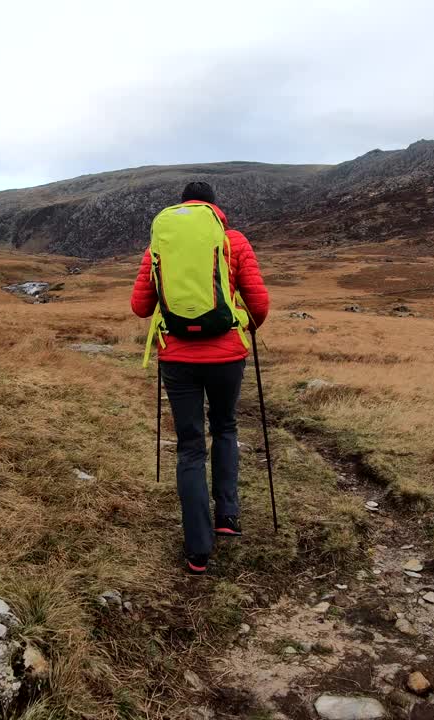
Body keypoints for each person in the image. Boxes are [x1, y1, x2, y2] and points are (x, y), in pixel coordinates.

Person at [130, 181, 270, 575]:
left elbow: (141, 306)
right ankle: (228, 516)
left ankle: (197, 548)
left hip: (176, 358)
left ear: (180, 208)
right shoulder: (233, 241)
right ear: (214, 207)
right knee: (224, 427)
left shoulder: (160, 246)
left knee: (190, 446)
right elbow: (258, 301)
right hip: (227, 354)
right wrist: (245, 327)